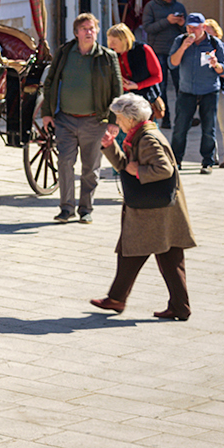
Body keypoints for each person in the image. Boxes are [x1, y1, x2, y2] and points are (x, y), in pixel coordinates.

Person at [89, 93, 195, 321]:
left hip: (156, 210)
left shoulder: (147, 139)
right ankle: (178, 306)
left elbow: (163, 169)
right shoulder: (140, 134)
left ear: (130, 118)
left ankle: (118, 298)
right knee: (167, 257)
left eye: (119, 118)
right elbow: (126, 165)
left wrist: (137, 171)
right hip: (159, 209)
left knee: (135, 251)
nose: (117, 122)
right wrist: (109, 147)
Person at [40, 12, 123, 224]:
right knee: (65, 162)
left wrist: (113, 122)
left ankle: (86, 209)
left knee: (90, 169)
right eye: (85, 28)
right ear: (76, 32)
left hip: (94, 121)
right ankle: (66, 208)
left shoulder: (107, 57)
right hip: (65, 119)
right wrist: (47, 113)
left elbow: (117, 91)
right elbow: (49, 83)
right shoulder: (64, 53)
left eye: (92, 28)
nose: (89, 32)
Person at [168, 13, 224, 172]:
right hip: (186, 90)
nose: (192, 30)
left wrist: (216, 65)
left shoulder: (214, 43)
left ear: (203, 27)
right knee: (180, 128)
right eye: (189, 27)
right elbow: (172, 64)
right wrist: (183, 47)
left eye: (195, 27)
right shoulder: (180, 41)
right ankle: (176, 160)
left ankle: (207, 162)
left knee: (209, 128)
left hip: (209, 90)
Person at [140, 0, 186, 121]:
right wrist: (167, 21)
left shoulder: (179, 6)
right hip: (158, 51)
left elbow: (187, 31)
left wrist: (182, 24)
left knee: (182, 85)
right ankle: (165, 118)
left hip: (176, 52)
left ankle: (183, 118)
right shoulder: (151, 7)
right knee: (161, 86)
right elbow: (147, 28)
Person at [107, 23, 164, 121]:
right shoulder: (112, 54)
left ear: (125, 40)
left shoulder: (143, 50)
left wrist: (137, 85)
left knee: (146, 131)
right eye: (109, 41)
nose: (111, 45)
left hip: (144, 100)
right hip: (123, 101)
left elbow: (158, 76)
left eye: (114, 42)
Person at [204, 19, 224, 168]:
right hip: (204, 91)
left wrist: (216, 65)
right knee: (209, 126)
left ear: (217, 34)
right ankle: (212, 156)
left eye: (209, 33)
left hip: (220, 91)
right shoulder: (200, 49)